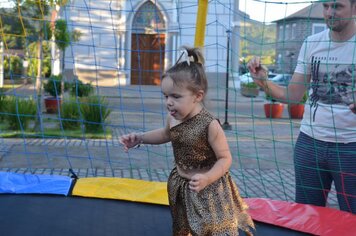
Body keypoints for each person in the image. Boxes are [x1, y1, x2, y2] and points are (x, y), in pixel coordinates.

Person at [120, 46, 255, 235]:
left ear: (197, 96)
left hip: (210, 188)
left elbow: (225, 159)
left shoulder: (209, 125)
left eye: (175, 96)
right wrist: (140, 138)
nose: (168, 102)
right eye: (166, 96)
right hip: (181, 185)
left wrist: (207, 178)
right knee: (184, 228)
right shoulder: (173, 117)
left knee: (213, 230)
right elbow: (166, 134)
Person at [247, 0, 356, 213]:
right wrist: (263, 81)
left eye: (337, 6)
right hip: (309, 144)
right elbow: (293, 95)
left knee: (352, 220)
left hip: (351, 146)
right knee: (306, 216)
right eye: (325, 6)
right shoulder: (312, 43)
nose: (329, 12)